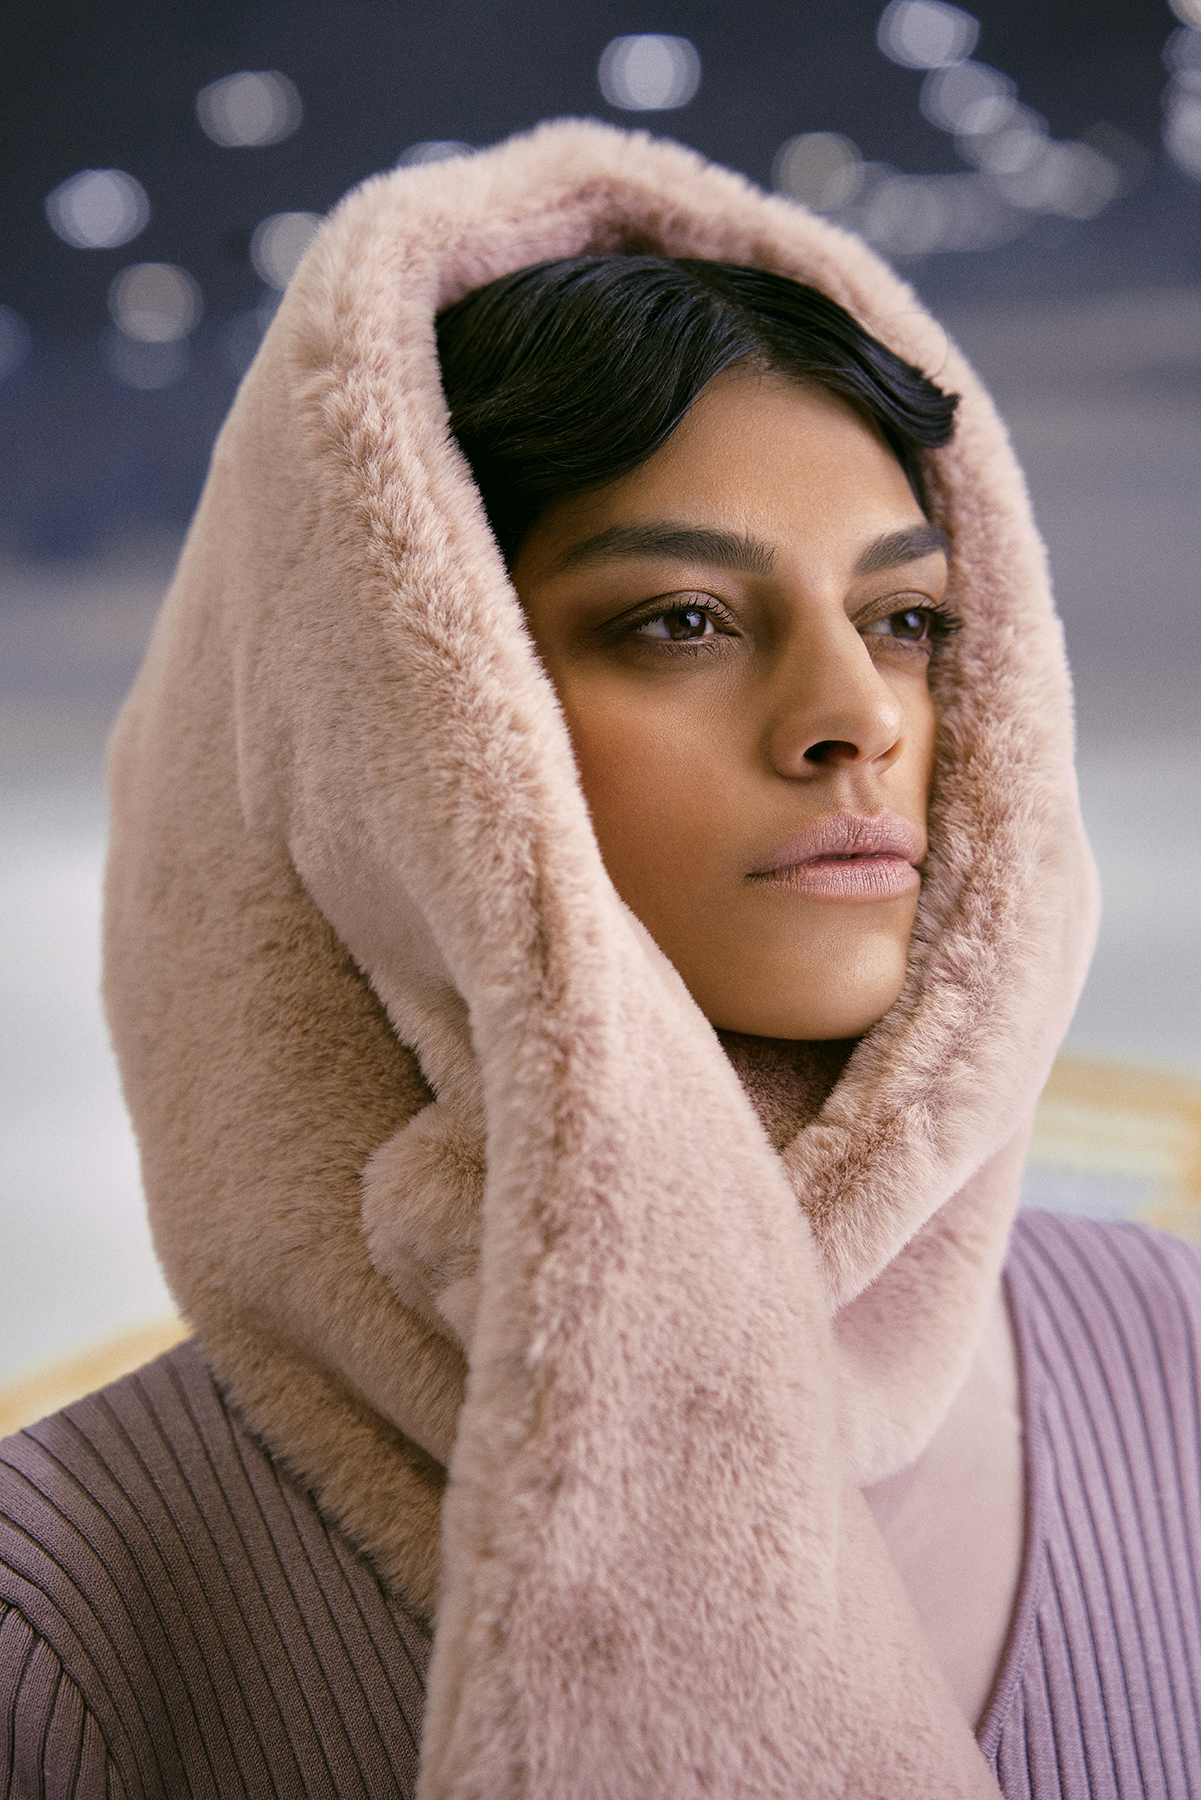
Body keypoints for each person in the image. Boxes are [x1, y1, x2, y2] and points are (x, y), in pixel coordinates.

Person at [2, 119, 1199, 1800]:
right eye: (681, 622)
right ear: (413, 729)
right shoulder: (79, 1600)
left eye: (907, 621)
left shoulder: (1182, 1369)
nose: (857, 716)